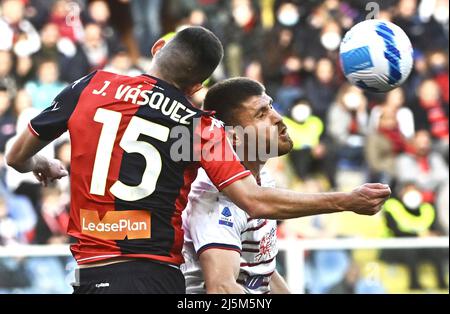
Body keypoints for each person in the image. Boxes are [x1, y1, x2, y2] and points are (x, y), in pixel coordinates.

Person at [6, 26, 390, 294]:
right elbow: (251, 199)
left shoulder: (90, 84)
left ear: (159, 51)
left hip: (88, 275)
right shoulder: (198, 126)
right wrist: (346, 201)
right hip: (153, 277)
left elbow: (15, 155)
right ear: (195, 88)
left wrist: (41, 163)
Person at [182, 78, 290, 294]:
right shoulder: (213, 196)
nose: (278, 118)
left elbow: (262, 274)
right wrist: (346, 201)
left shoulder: (264, 178)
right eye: (261, 114)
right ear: (234, 137)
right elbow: (222, 288)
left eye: (271, 106)